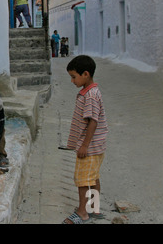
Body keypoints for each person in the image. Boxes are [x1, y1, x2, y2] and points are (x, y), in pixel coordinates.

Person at [63, 55, 108, 224]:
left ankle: (82, 212)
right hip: (96, 147)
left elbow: (93, 122)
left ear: (86, 74)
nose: (72, 81)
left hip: (89, 148)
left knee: (83, 180)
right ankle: (94, 209)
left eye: (74, 77)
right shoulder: (90, 92)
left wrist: (84, 146)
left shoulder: (90, 95)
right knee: (93, 177)